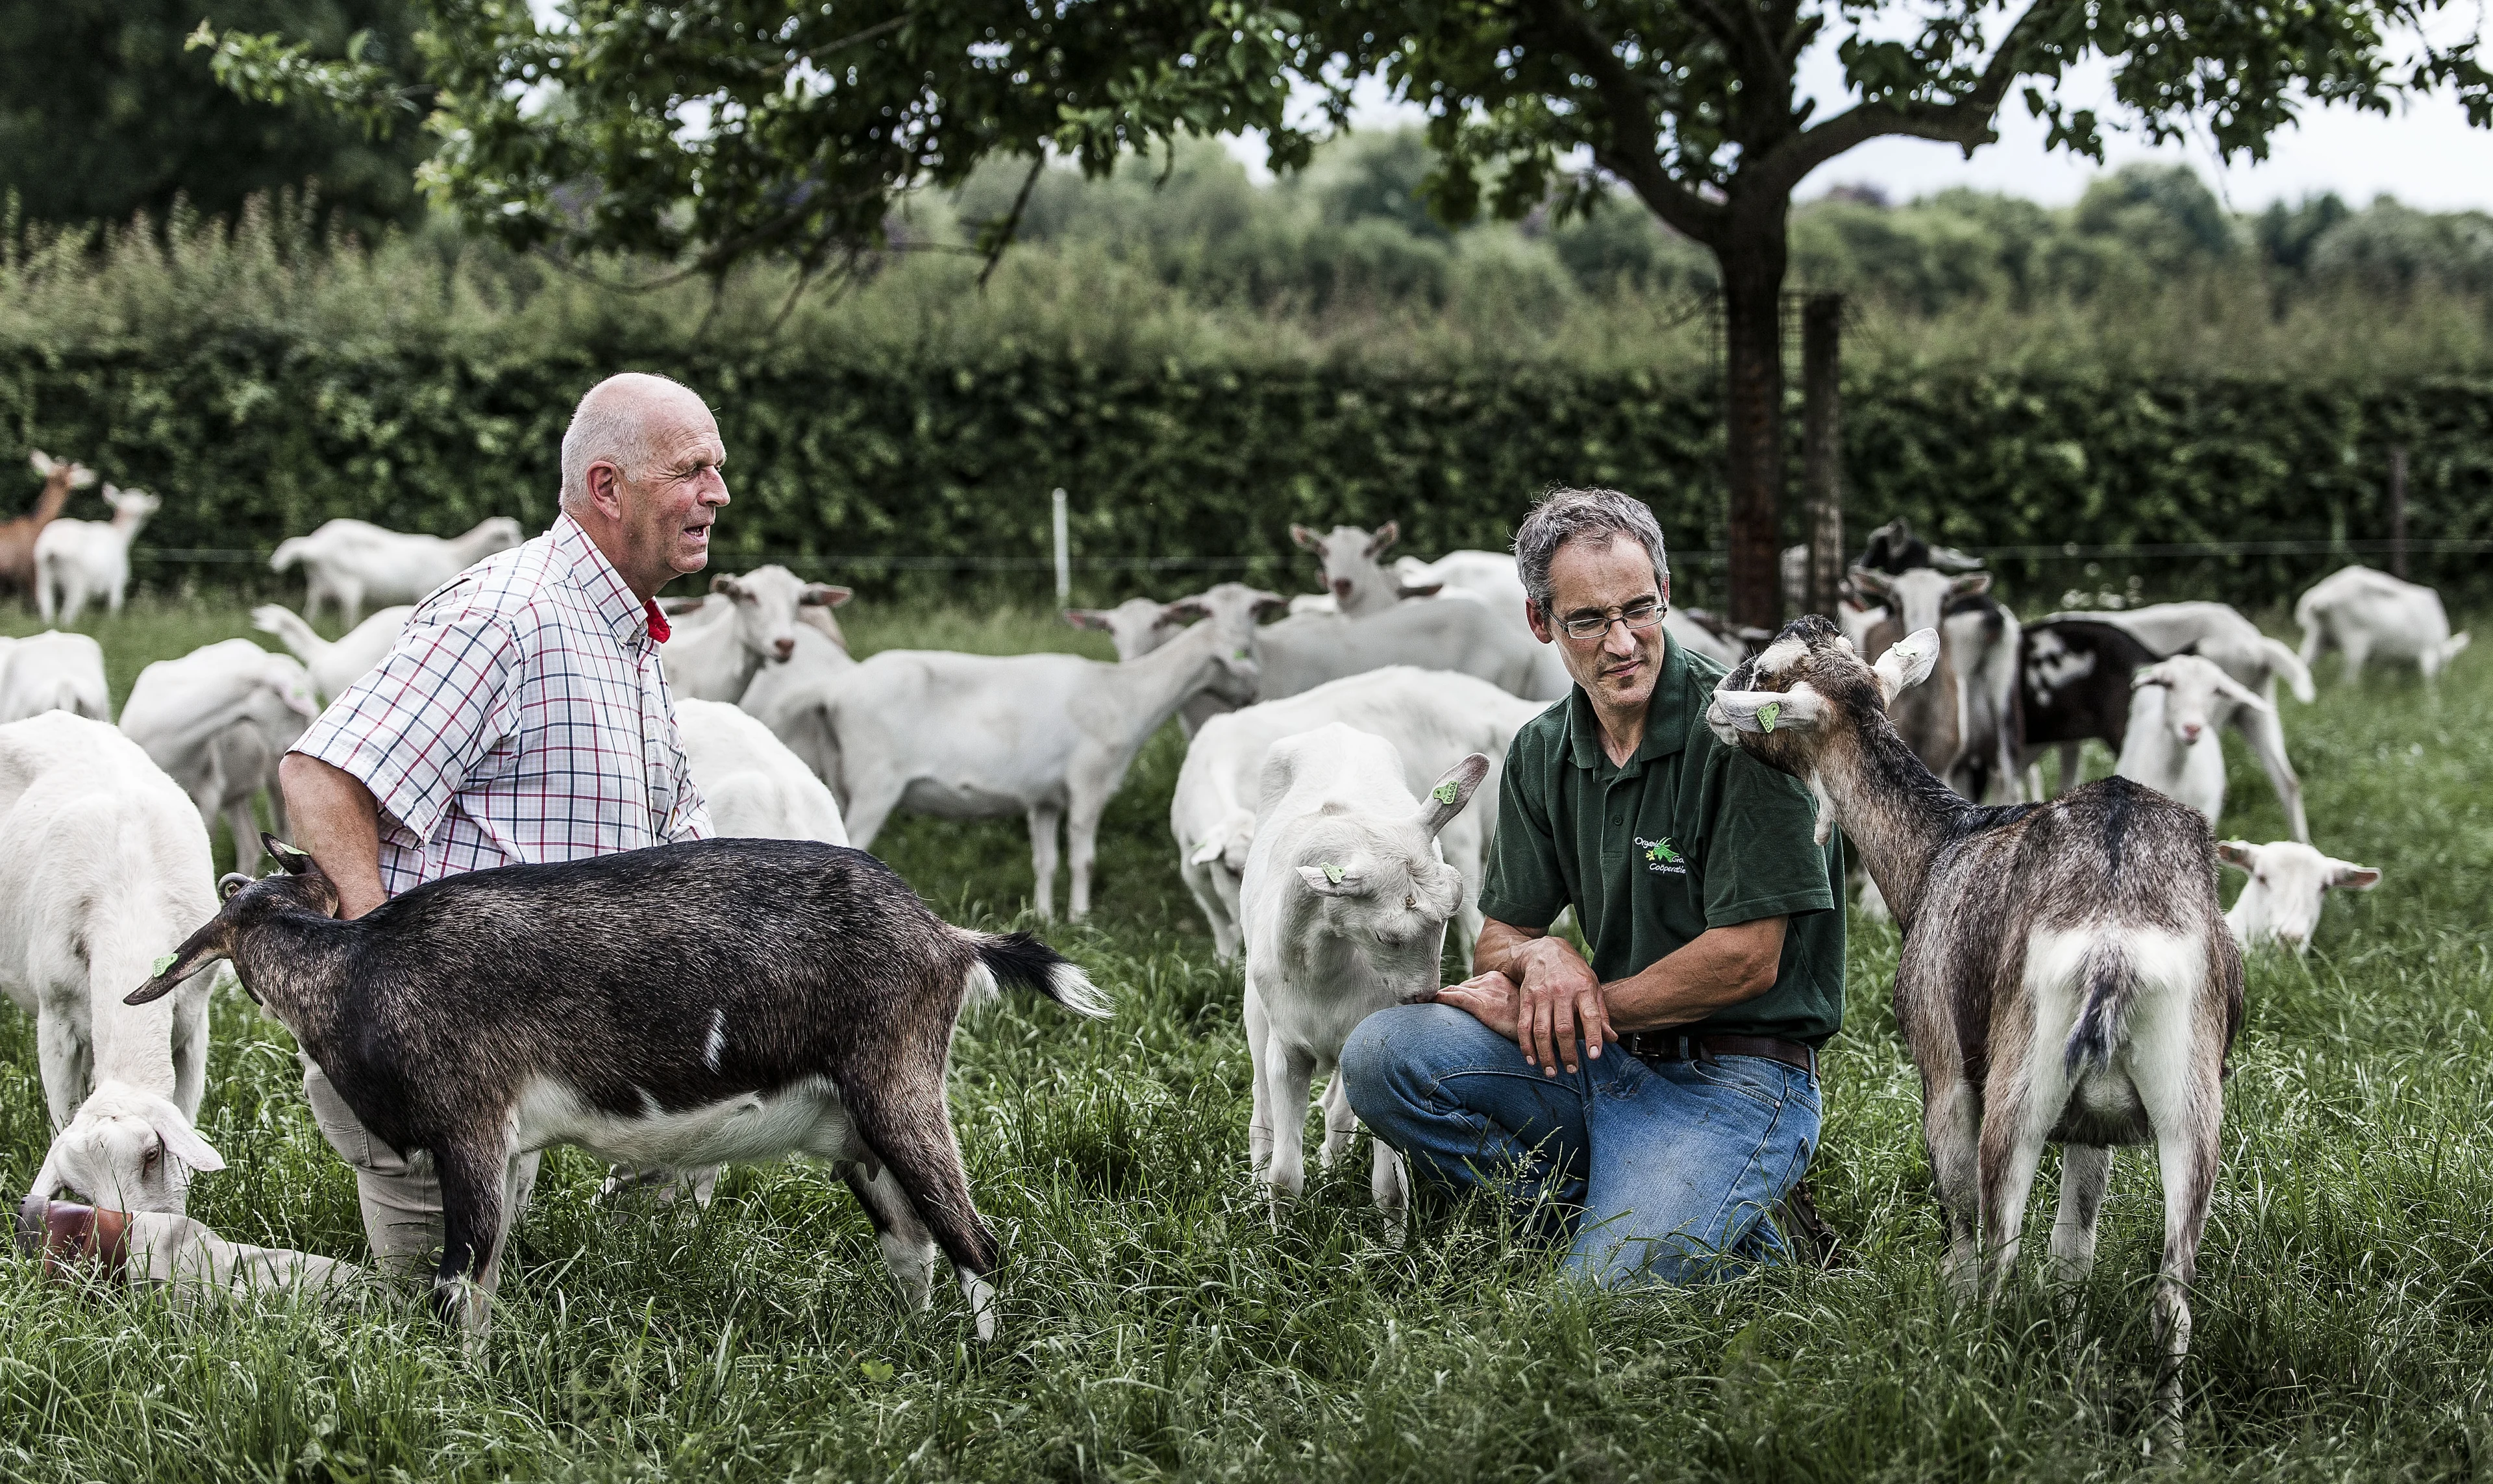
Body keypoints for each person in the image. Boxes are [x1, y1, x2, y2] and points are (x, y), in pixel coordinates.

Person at [18, 372, 724, 1302]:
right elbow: (319, 775)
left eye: (717, 467)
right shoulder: (502, 619)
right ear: (607, 487)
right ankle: (131, 1251)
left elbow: (671, 832)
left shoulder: (623, 636)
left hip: (540, 1052)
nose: (718, 491)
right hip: (436, 1060)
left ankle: (607, 1282)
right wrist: (391, 971)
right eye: (692, 469)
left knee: (549, 1280)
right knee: (427, 1317)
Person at [1340, 486, 1844, 1285]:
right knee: (1382, 1056)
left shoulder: (1746, 737)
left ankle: (1682, 1216)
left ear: (1667, 596)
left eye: (1639, 610)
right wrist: (1546, 960)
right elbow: (1499, 935)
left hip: (1740, 1075)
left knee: (1599, 1302)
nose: (1622, 643)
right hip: (1600, 1055)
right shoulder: (1543, 750)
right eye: (1588, 621)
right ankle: (1662, 1214)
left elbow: (1749, 960)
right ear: (1540, 623)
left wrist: (1587, 1004)